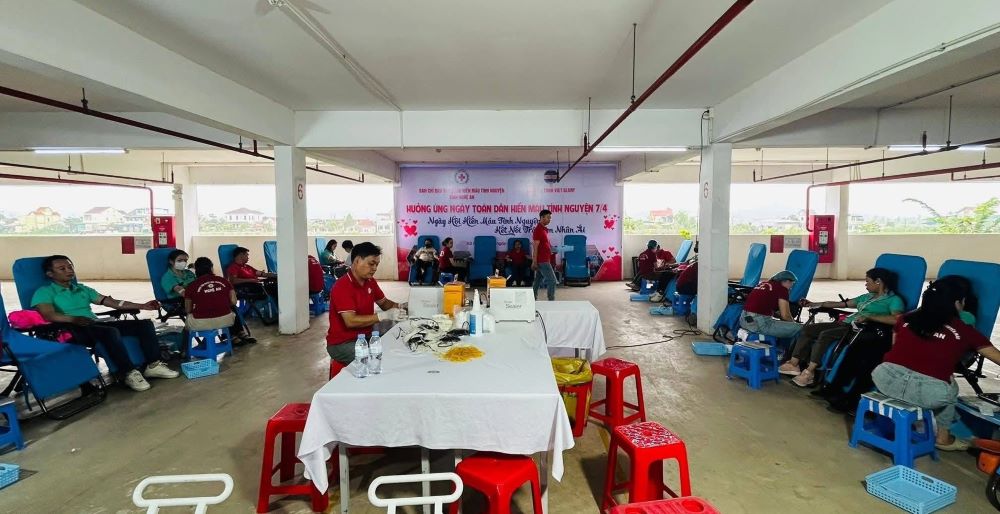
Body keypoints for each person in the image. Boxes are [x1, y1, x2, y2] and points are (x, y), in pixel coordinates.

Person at [871, 278, 1000, 451]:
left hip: (884, 379)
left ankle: (917, 423)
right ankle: (943, 438)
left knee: (929, 376)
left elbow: (896, 349)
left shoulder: (905, 320)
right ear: (957, 303)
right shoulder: (964, 330)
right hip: (927, 394)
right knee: (949, 383)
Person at [818, 275, 979, 412]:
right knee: (862, 345)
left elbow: (958, 341)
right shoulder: (924, 312)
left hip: (928, 353)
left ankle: (853, 397)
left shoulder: (964, 317)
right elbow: (904, 324)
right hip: (911, 346)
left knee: (876, 356)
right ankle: (836, 388)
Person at [32, 255, 179, 392]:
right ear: (50, 274)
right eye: (62, 268)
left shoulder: (82, 289)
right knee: (109, 332)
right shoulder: (44, 292)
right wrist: (73, 319)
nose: (69, 270)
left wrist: (142, 306)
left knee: (144, 324)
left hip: (93, 324)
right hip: (70, 329)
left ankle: (153, 365)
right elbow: (48, 314)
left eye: (70, 267)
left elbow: (114, 303)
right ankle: (128, 372)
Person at [782, 268, 903, 388]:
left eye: (868, 281)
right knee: (808, 329)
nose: (866, 284)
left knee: (826, 334)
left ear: (878, 281)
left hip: (858, 328)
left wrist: (871, 316)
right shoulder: (868, 297)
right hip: (844, 322)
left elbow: (897, 319)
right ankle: (794, 364)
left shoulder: (894, 300)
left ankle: (810, 372)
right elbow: (841, 304)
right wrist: (814, 304)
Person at [326, 242, 406, 365]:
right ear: (357, 261)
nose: (374, 268)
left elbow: (384, 303)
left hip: (365, 337)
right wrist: (383, 316)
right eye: (371, 264)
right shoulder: (342, 286)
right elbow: (350, 321)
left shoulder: (370, 281)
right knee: (377, 362)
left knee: (399, 346)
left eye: (377, 265)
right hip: (342, 343)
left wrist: (402, 306)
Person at [185, 257, 255, 344]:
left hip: (201, 323)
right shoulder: (224, 281)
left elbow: (188, 309)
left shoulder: (191, 286)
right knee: (230, 309)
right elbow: (233, 301)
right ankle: (239, 334)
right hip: (226, 320)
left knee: (187, 324)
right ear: (211, 268)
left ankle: (185, 351)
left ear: (196, 270)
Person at [739, 270, 802, 340]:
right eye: (792, 283)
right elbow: (785, 316)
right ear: (787, 281)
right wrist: (793, 324)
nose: (791, 287)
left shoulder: (762, 284)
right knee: (800, 328)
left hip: (744, 320)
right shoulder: (782, 289)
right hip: (758, 324)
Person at [160, 249, 196, 318]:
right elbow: (182, 292)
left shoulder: (189, 273)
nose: (183, 263)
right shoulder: (168, 277)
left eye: (185, 260)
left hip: (192, 298)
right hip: (177, 302)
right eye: (179, 260)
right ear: (171, 261)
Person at [531, 209, 557, 301]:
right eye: (548, 217)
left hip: (545, 258)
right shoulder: (538, 230)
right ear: (542, 218)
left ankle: (532, 298)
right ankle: (551, 300)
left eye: (550, 218)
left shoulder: (544, 229)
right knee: (552, 281)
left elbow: (546, 244)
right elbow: (535, 246)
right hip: (542, 260)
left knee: (537, 280)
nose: (549, 220)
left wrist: (552, 249)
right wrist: (534, 261)